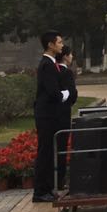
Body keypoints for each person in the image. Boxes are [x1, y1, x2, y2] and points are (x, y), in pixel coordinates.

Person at [33, 32, 68, 202]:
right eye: (59, 42)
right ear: (50, 45)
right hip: (46, 114)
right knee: (45, 152)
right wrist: (65, 94)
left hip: (51, 113)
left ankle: (47, 188)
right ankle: (40, 191)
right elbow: (52, 91)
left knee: (49, 152)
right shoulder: (47, 65)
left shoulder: (51, 63)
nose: (62, 45)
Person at [57, 44, 78, 191]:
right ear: (65, 56)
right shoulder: (66, 72)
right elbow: (72, 94)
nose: (72, 57)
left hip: (53, 113)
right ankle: (61, 179)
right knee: (62, 146)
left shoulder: (53, 70)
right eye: (70, 54)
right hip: (63, 113)